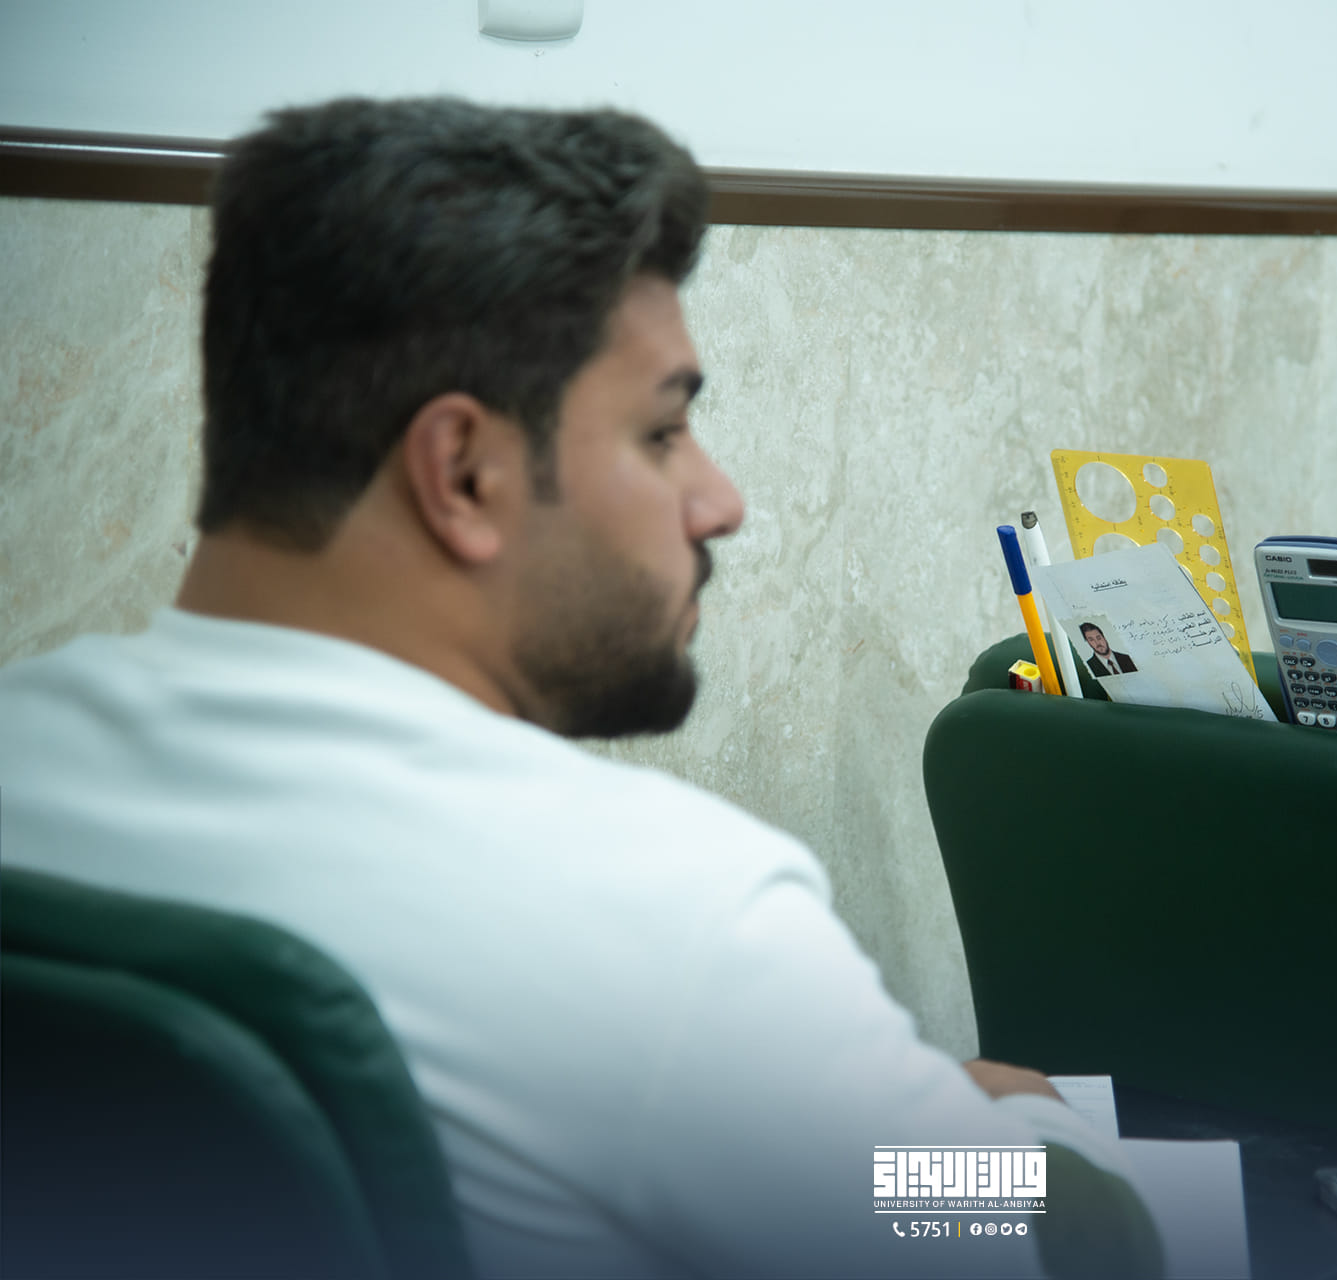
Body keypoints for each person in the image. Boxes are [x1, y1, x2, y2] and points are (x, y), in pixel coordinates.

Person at [0, 98, 1153, 1279]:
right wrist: (1029, 1131)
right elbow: (1027, 1238)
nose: (720, 501)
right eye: (662, 432)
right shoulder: (673, 922)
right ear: (463, 473)